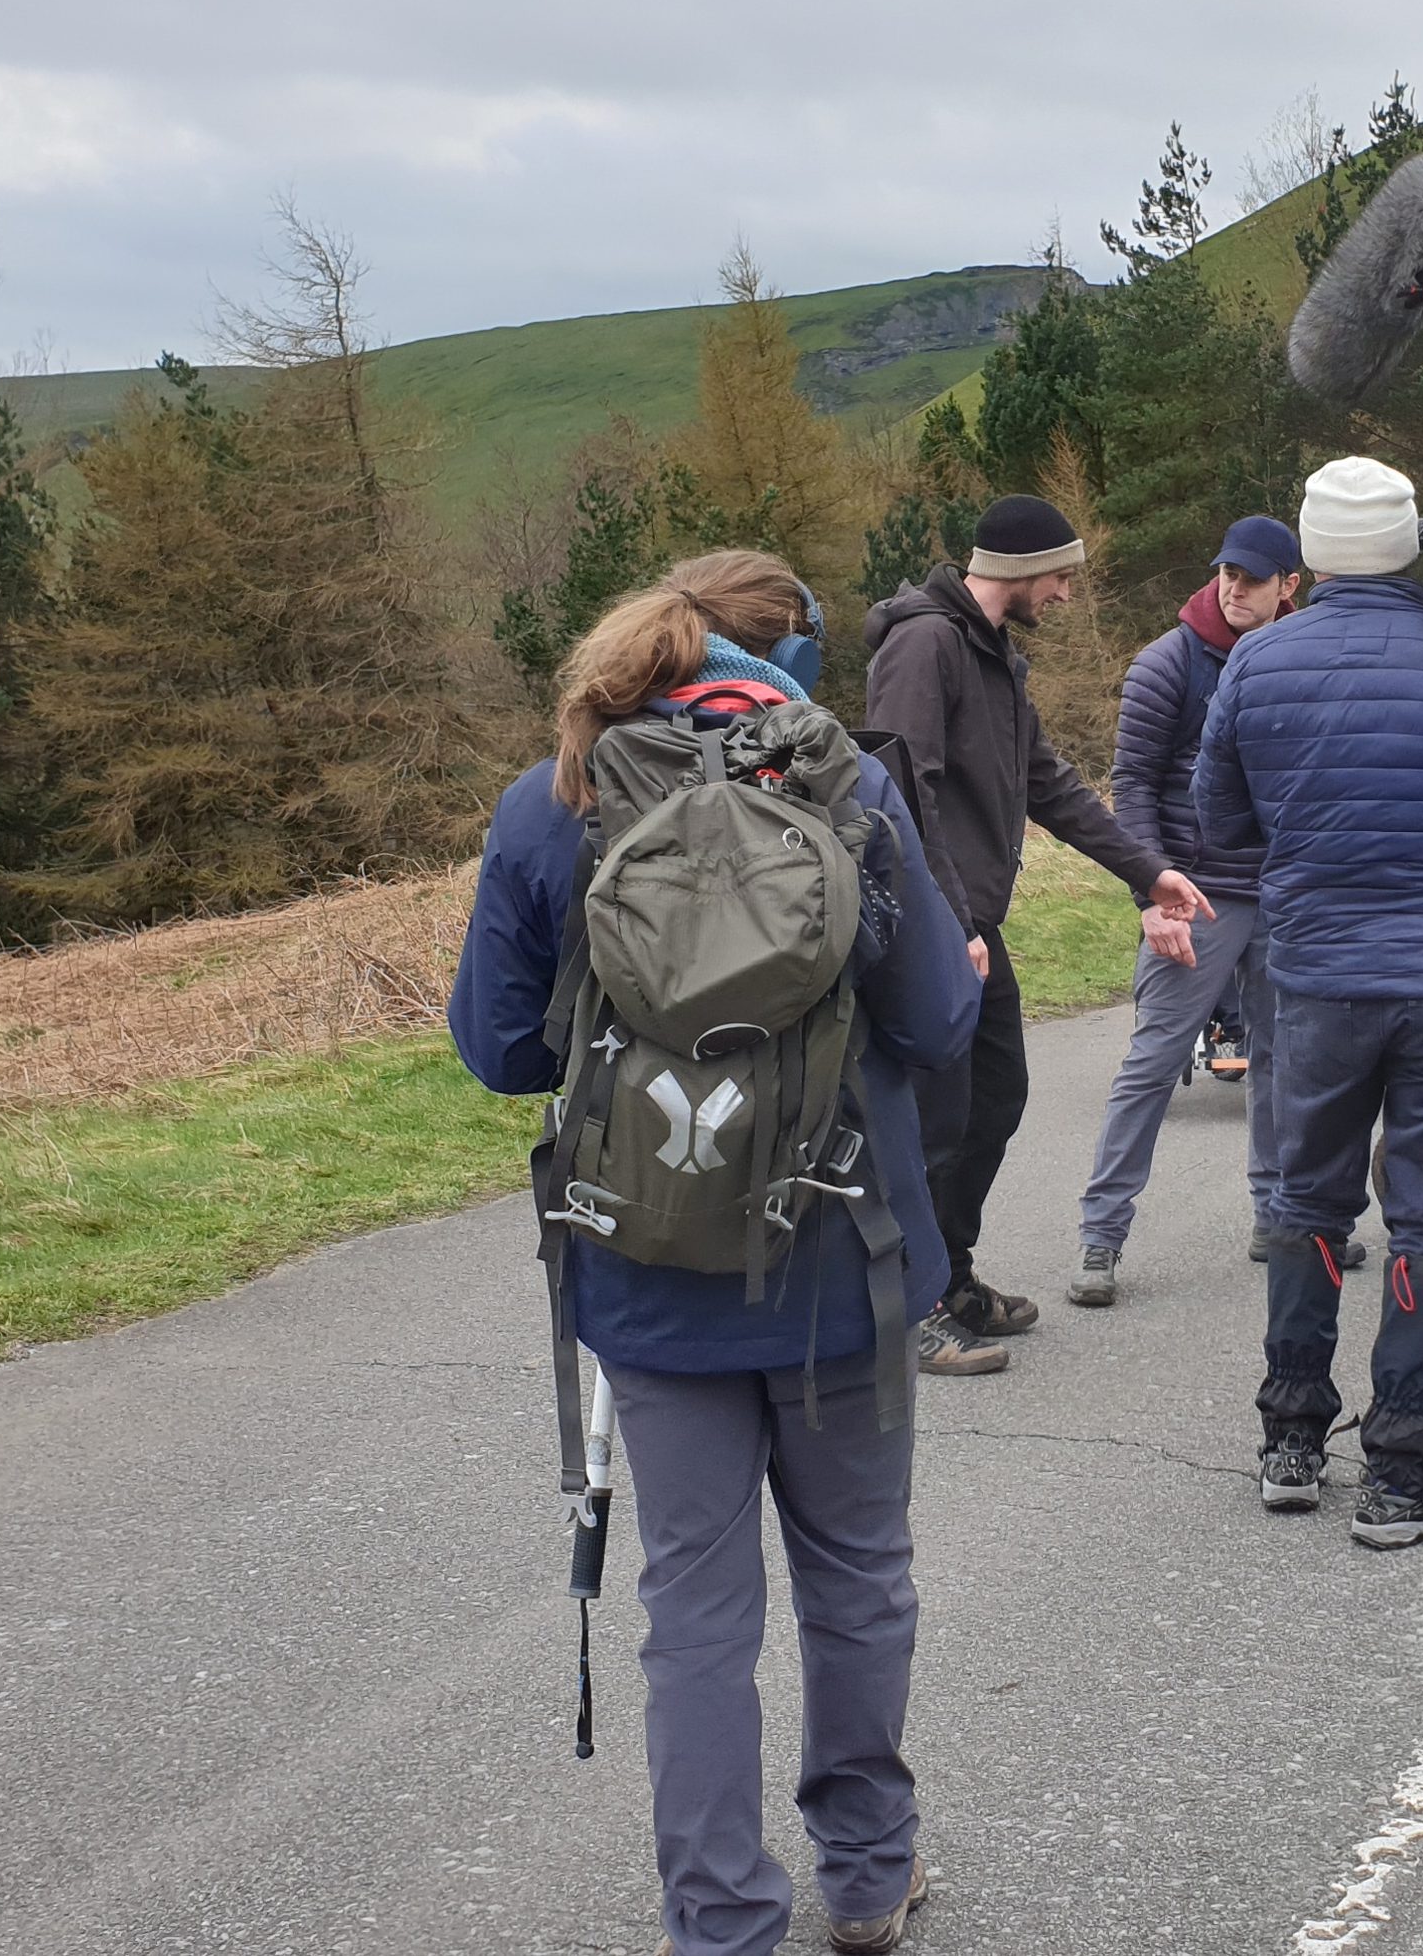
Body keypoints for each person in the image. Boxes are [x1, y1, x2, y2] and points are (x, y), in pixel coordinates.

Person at [451, 550, 976, 1956]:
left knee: (693, 1609)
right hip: (843, 1264)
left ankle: (722, 1916)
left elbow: (500, 1052)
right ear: (791, 655)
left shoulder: (552, 799)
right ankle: (867, 1877)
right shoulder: (849, 788)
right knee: (858, 1573)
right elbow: (935, 1023)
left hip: (646, 1272)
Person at [1196, 455, 1423, 1550]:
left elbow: (1220, 820)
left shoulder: (1257, 662)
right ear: (1417, 539)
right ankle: (1405, 1470)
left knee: (1305, 1202)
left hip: (1314, 975)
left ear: (1309, 550)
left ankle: (1291, 1438)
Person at [862, 495, 1216, 1375]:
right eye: (1060, 576)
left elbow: (1048, 784)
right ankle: (911, 1311)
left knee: (995, 1100)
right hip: (931, 926)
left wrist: (1147, 870)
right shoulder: (924, 644)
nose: (1065, 595)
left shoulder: (994, 657)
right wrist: (946, 925)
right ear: (1020, 570)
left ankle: (951, 1277)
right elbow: (903, 793)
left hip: (972, 925)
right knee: (937, 1121)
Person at [1071, 514, 1306, 1307]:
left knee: (1283, 1063)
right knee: (1149, 1067)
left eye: (1253, 578)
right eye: (1226, 573)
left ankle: (1277, 1218)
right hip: (1194, 900)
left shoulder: (1299, 657)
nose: (1234, 589)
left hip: (1281, 898)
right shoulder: (1165, 665)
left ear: (1289, 587)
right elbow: (1130, 784)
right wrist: (1153, 893)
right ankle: (1100, 1239)